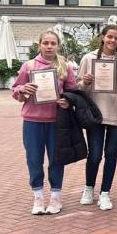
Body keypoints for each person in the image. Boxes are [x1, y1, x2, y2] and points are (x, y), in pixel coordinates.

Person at [12, 31, 76, 215]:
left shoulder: (65, 66)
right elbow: (16, 89)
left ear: (58, 45)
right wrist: (22, 89)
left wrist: (68, 101)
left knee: (56, 160)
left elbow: (73, 92)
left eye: (53, 43)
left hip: (56, 121)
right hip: (32, 121)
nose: (49, 46)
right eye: (46, 43)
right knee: (34, 159)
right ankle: (38, 196)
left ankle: (56, 197)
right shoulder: (29, 65)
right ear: (39, 45)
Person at [77, 25, 117, 211]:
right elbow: (77, 85)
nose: (113, 41)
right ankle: (89, 188)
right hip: (95, 114)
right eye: (110, 37)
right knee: (95, 154)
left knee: (111, 154)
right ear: (102, 37)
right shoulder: (89, 58)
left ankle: (105, 192)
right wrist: (85, 82)